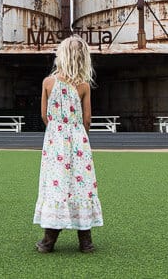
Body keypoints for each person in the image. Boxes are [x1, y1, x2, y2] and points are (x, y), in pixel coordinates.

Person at [33, 35, 103, 253]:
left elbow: (44, 115)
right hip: (77, 142)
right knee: (81, 185)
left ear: (60, 57)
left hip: (55, 142)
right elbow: (87, 119)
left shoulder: (47, 82)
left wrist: (57, 130)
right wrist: (80, 136)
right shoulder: (83, 86)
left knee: (56, 183)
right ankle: (86, 242)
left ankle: (48, 241)